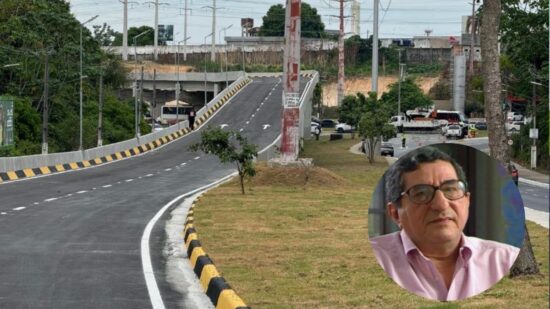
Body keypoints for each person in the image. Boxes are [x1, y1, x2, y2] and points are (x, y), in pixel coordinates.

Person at [370, 146, 520, 301]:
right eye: (421, 193)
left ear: (467, 201)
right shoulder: (373, 262)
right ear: (395, 213)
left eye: (450, 189)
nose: (441, 204)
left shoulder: (503, 260)